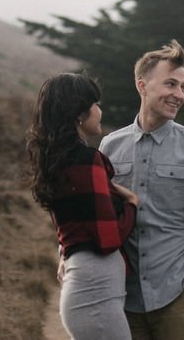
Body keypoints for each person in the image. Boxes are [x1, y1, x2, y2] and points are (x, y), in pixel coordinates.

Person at [99, 39, 184, 340]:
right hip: (124, 299)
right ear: (143, 86)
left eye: (183, 87)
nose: (178, 95)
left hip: (177, 297)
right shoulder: (109, 146)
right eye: (171, 84)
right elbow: (97, 215)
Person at [29, 72, 139, 340]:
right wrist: (133, 205)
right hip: (94, 296)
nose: (100, 111)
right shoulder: (86, 161)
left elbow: (78, 225)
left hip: (88, 292)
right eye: (96, 105)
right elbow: (107, 238)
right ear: (80, 113)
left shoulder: (60, 161)